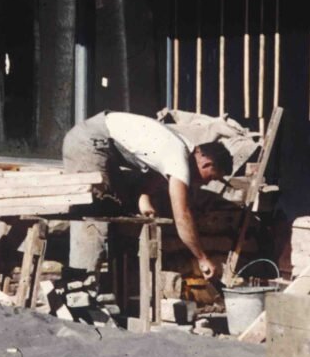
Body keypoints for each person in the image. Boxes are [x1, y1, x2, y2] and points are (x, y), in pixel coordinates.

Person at [62, 111, 233, 279]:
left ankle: (112, 288)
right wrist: (202, 258)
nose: (206, 184)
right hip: (90, 140)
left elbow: (150, 177)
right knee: (93, 216)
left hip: (104, 143)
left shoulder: (180, 147)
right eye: (211, 177)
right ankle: (80, 292)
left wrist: (144, 199)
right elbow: (182, 216)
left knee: (118, 207)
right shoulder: (178, 156)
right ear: (206, 163)